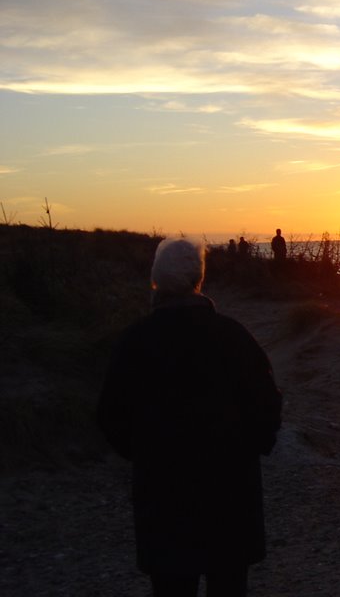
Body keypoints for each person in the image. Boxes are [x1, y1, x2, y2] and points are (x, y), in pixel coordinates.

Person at [97, 238, 282, 597]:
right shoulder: (233, 336)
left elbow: (110, 415)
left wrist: (144, 454)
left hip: (162, 494)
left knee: (171, 585)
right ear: (199, 278)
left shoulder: (135, 340)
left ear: (157, 280)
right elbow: (266, 404)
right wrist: (254, 445)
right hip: (229, 492)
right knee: (227, 583)